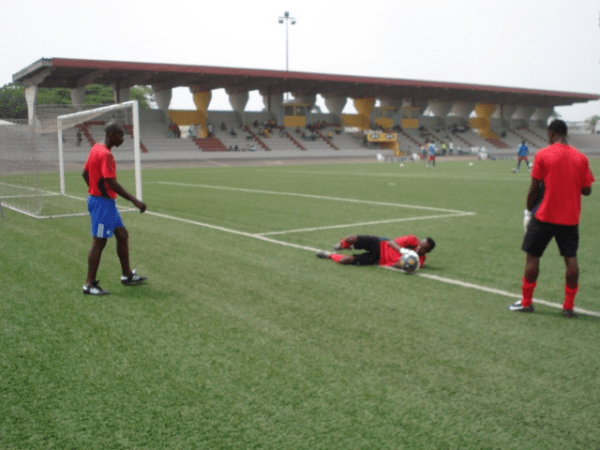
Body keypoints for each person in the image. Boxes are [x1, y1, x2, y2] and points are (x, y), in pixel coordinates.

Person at [509, 120, 594, 317]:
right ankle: (568, 307)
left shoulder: (543, 154)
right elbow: (587, 190)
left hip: (545, 215)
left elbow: (534, 187)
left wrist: (529, 209)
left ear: (551, 133)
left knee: (533, 256)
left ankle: (527, 302)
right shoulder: (580, 158)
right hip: (570, 218)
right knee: (570, 260)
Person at [82, 123, 148, 295]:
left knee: (122, 235)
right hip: (102, 204)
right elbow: (111, 182)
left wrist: (94, 190)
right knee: (99, 242)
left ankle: (126, 275)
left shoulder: (96, 148)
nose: (122, 139)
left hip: (104, 203)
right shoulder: (106, 155)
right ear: (111, 134)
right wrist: (135, 201)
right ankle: (89, 284)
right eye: (119, 135)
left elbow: (84, 174)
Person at [316, 234, 436, 270]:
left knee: (345, 261)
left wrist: (404, 263)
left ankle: (329, 255)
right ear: (419, 242)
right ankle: (344, 245)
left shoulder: (419, 261)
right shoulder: (412, 239)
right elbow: (391, 242)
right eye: (421, 245)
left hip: (378, 259)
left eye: (424, 249)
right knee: (351, 238)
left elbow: (395, 265)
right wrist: (403, 251)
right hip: (380, 244)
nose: (420, 248)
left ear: (428, 252)